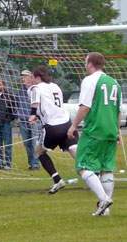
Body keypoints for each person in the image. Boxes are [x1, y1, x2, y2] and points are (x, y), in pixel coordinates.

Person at [67, 52, 120, 216]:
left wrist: (73, 126)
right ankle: (106, 209)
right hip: (111, 130)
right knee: (106, 168)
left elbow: (85, 107)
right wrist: (117, 131)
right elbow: (117, 111)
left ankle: (103, 199)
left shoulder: (90, 80)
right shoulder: (114, 83)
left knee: (82, 165)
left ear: (90, 64)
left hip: (95, 129)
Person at [28, 66, 76, 194]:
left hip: (52, 126)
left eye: (32, 77)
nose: (31, 80)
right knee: (75, 152)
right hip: (66, 123)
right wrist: (39, 115)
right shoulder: (55, 86)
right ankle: (93, 174)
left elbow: (36, 102)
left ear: (38, 77)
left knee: (38, 151)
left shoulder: (35, 88)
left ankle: (57, 179)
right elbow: (52, 105)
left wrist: (33, 114)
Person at [16, 70, 40, 170]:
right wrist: (17, 116)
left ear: (30, 77)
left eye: (25, 76)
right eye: (22, 76)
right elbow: (16, 104)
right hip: (23, 120)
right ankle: (31, 162)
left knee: (34, 142)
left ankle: (35, 164)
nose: (23, 78)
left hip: (34, 120)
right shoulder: (19, 92)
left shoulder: (35, 89)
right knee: (27, 144)